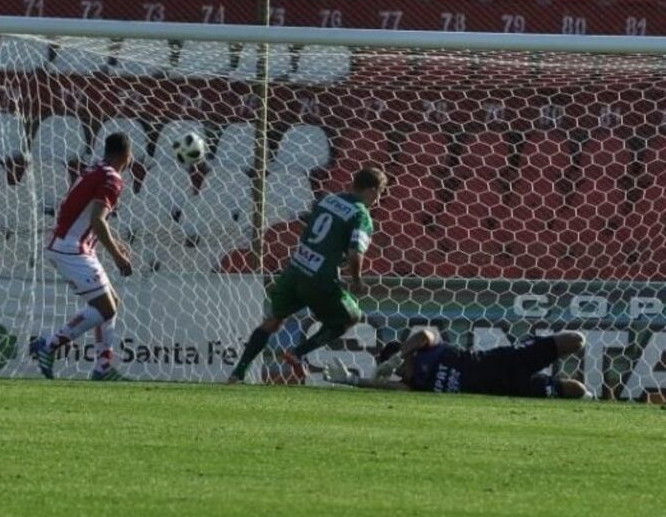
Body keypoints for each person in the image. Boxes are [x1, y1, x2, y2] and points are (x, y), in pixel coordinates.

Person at [228, 167, 387, 384]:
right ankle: (298, 352)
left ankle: (237, 373)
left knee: (272, 321)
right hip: (320, 279)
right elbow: (355, 252)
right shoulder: (361, 214)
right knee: (351, 318)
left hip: (295, 269)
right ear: (370, 190)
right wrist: (357, 279)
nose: (378, 200)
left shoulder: (327, 200)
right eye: (379, 193)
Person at [29, 132, 134, 381]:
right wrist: (118, 257)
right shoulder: (112, 178)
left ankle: (103, 368)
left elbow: (86, 216)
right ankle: (49, 345)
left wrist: (116, 243)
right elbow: (97, 221)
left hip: (71, 244)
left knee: (111, 304)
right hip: (71, 249)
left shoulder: (95, 170)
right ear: (127, 156)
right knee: (105, 307)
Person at [325, 327, 590, 399]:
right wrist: (353, 381)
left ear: (408, 355)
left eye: (400, 365)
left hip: (504, 362)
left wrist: (396, 357)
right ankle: (592, 402)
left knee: (576, 340)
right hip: (509, 391)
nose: (401, 373)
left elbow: (423, 335)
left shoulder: (430, 350)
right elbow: (390, 389)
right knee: (575, 391)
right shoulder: (414, 385)